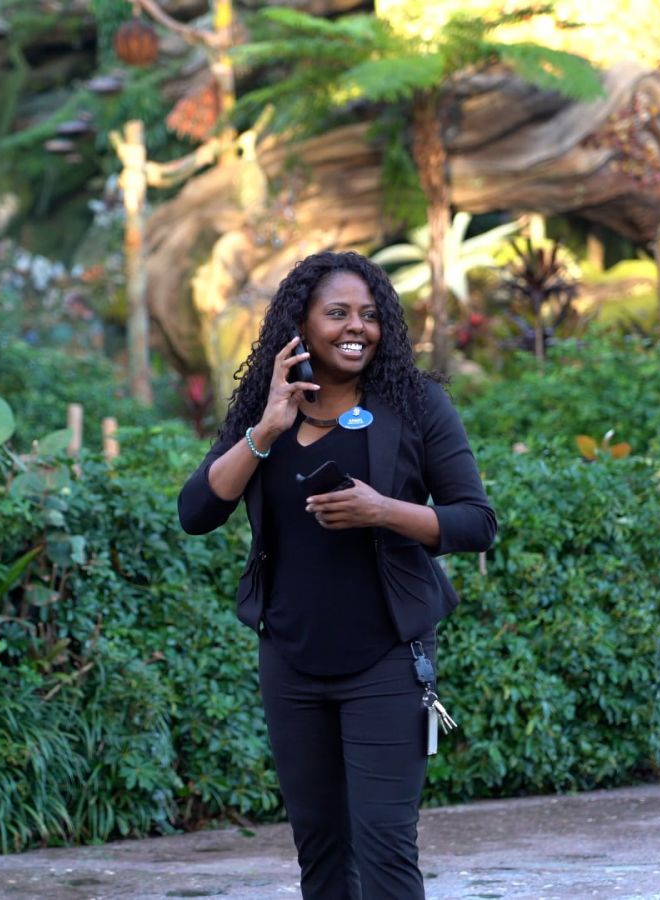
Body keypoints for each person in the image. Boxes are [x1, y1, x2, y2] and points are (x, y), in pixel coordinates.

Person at [177, 250, 497, 899]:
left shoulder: (416, 404)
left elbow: (476, 521)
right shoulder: (265, 409)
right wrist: (266, 428)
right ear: (302, 323)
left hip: (385, 659)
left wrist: (384, 511)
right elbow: (197, 511)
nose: (358, 327)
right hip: (291, 660)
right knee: (320, 852)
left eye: (370, 315)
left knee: (383, 849)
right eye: (339, 314)